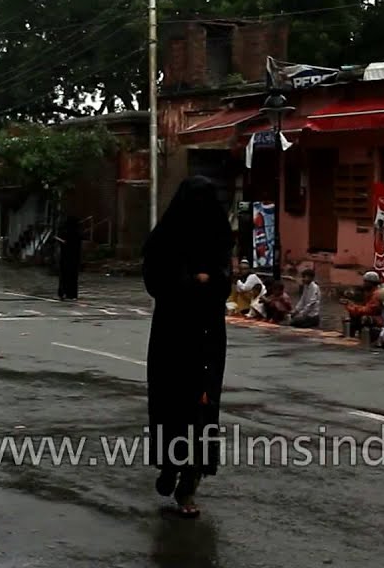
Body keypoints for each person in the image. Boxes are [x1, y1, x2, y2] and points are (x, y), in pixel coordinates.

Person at [142, 176, 233, 518]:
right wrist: (190, 281)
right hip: (171, 334)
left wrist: (209, 282)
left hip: (208, 334)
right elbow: (154, 281)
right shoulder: (164, 239)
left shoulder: (220, 238)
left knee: (203, 408)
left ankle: (189, 485)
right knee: (170, 403)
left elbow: (224, 282)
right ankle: (168, 466)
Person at [342, 271, 384, 339]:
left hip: (379, 319)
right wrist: (352, 305)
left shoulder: (376, 294)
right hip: (374, 316)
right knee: (353, 316)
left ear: (371, 283)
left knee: (361, 317)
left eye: (365, 282)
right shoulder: (370, 292)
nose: (364, 284)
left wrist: (351, 307)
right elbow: (364, 306)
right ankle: (352, 336)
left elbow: (368, 310)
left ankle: (352, 337)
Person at [56, 216, 82, 300]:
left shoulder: (66, 232)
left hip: (66, 257)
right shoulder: (77, 233)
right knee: (73, 276)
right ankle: (72, 294)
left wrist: (61, 241)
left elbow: (65, 244)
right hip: (75, 258)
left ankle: (63, 292)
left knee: (64, 275)